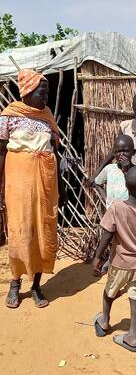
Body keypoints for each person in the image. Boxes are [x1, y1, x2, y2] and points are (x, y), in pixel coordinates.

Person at [0, 69, 67, 308]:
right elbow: (1, 152)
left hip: (45, 180)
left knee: (43, 229)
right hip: (19, 181)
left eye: (47, 92)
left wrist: (60, 186)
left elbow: (55, 151)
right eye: (42, 92)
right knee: (20, 230)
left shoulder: (47, 115)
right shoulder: (10, 115)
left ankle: (37, 286)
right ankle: (16, 283)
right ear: (27, 91)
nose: (45, 96)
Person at [92, 166, 136, 352]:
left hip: (120, 262)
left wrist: (98, 256)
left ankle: (105, 321)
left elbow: (107, 235)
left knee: (109, 292)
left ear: (126, 186)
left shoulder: (117, 208)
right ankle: (132, 336)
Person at [89, 92, 136, 198]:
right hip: (125, 173)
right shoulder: (125, 126)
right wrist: (97, 173)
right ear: (133, 109)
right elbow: (115, 151)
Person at [93, 134, 136, 209]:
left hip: (130, 212)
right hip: (112, 212)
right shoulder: (109, 169)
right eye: (118, 151)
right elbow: (97, 183)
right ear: (114, 153)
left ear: (133, 152)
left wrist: (125, 171)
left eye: (126, 151)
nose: (122, 154)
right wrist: (107, 199)